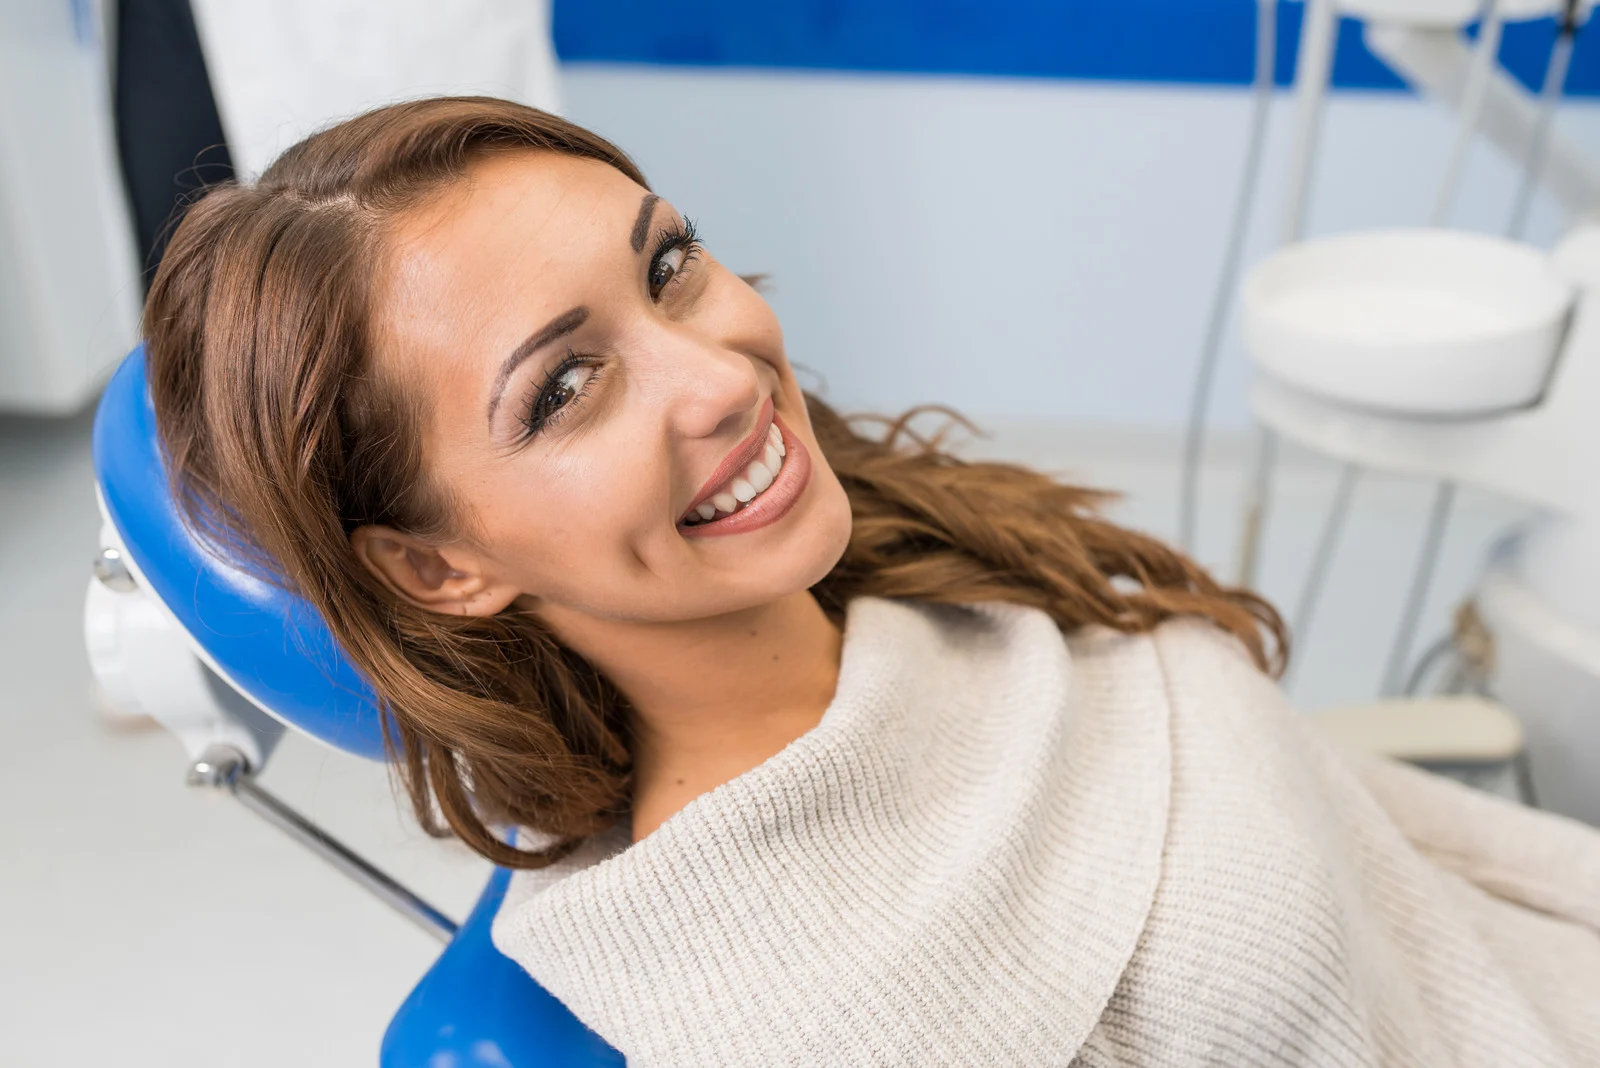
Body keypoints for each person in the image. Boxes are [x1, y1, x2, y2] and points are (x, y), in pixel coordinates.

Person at [143, 97, 1600, 1066]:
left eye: (670, 267)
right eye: (567, 387)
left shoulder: (917, 557)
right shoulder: (794, 1012)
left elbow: (1419, 882)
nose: (723, 375)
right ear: (438, 565)